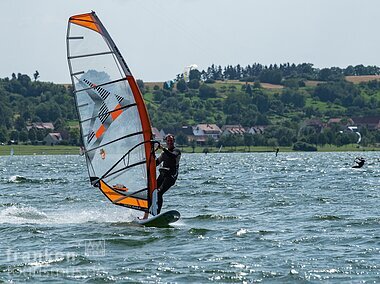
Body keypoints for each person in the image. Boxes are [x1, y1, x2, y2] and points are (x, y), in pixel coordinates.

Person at [142, 134, 181, 219]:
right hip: (162, 176)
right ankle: (145, 216)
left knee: (159, 193)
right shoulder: (163, 154)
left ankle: (156, 215)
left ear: (174, 141)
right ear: (166, 142)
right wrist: (150, 157)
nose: (170, 142)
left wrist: (163, 148)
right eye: (168, 141)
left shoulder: (177, 151)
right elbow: (156, 163)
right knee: (151, 193)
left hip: (171, 177)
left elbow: (172, 156)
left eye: (171, 141)